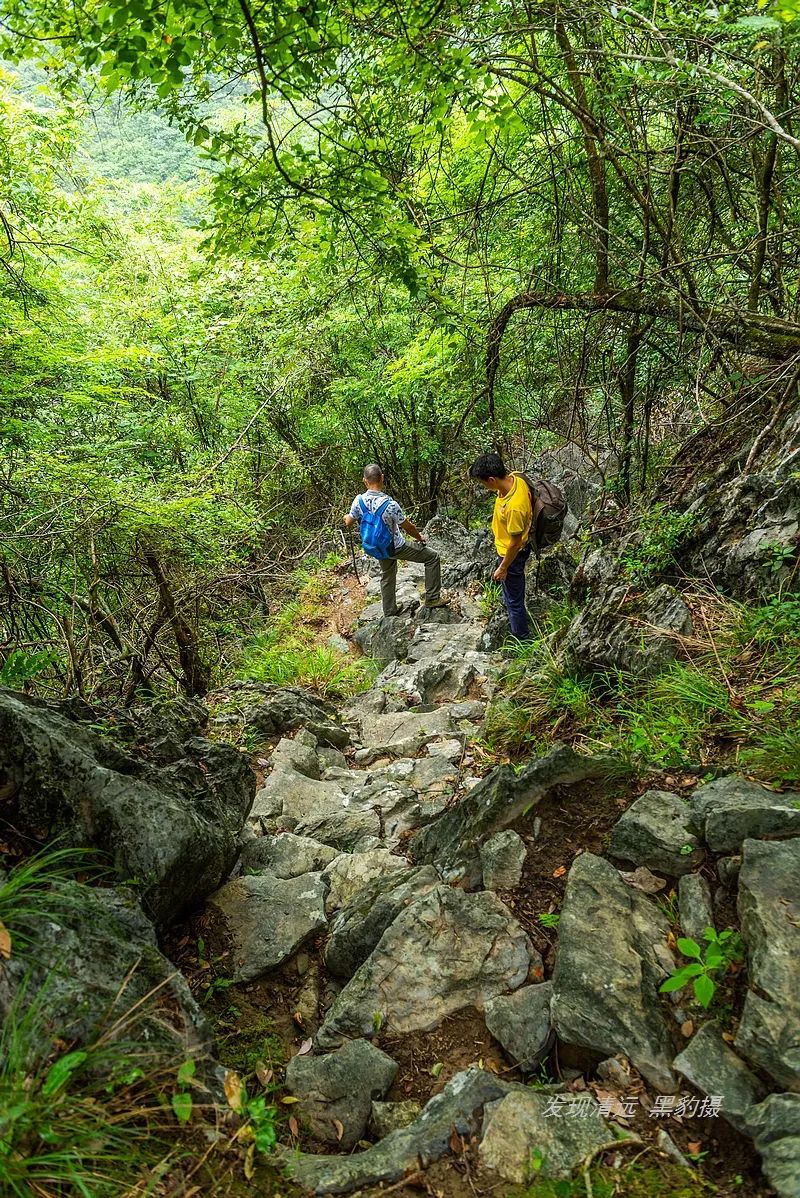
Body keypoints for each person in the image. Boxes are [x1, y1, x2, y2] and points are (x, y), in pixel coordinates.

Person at [344, 464, 449, 617]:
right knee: (432, 557)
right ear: (382, 478)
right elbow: (408, 527)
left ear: (364, 481)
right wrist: (420, 537)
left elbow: (348, 521)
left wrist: (345, 517)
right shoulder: (390, 505)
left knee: (387, 575)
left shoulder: (358, 501)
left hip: (375, 547)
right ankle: (432, 598)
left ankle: (389, 611)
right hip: (395, 547)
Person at [469, 452, 533, 640]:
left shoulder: (514, 507)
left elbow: (515, 542)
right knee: (512, 594)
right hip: (509, 550)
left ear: (491, 479)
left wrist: (503, 567)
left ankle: (522, 640)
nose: (484, 487)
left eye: (483, 483)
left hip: (511, 556)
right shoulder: (515, 478)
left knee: (513, 601)